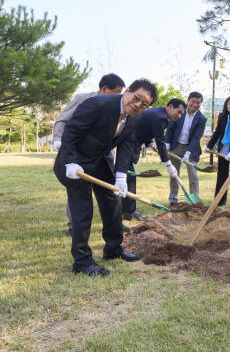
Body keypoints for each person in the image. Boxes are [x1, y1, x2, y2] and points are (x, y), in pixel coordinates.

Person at [53, 78, 157, 276]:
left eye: (144, 104)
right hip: (75, 163)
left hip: (99, 160)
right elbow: (71, 132)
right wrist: (70, 161)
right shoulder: (97, 104)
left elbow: (126, 145)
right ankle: (82, 261)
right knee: (83, 209)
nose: (137, 105)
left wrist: (120, 177)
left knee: (113, 201)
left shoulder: (134, 117)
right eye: (136, 98)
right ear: (127, 91)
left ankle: (113, 248)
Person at [52, 73, 126, 236]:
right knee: (78, 189)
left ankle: (114, 226)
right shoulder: (83, 99)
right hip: (80, 153)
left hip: (102, 156)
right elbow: (63, 120)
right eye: (117, 91)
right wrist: (58, 139)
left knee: (109, 193)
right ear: (104, 89)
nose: (120, 96)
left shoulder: (119, 108)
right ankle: (74, 225)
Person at [122, 98, 186, 218]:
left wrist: (150, 143)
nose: (180, 115)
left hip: (130, 144)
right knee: (129, 179)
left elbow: (145, 128)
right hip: (127, 145)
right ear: (170, 107)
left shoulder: (158, 113)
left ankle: (127, 211)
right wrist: (168, 164)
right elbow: (161, 142)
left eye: (182, 114)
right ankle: (129, 211)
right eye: (179, 112)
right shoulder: (160, 117)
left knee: (128, 179)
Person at [165, 92, 207, 205]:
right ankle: (173, 200)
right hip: (176, 146)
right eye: (193, 101)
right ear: (188, 101)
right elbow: (171, 127)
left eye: (198, 103)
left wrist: (188, 153)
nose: (195, 104)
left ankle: (195, 201)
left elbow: (196, 137)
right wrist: (167, 143)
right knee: (174, 174)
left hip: (191, 148)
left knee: (193, 175)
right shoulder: (180, 112)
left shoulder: (202, 119)